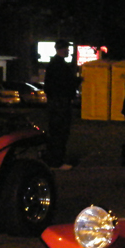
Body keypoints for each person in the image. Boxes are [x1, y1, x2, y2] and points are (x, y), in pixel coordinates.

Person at [43, 40, 81, 170]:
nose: (68, 51)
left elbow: (49, 85)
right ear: (62, 49)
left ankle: (52, 159)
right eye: (67, 49)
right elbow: (65, 84)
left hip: (54, 102)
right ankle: (57, 161)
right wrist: (76, 82)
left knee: (54, 131)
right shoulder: (60, 66)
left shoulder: (52, 65)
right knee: (61, 131)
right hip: (61, 102)